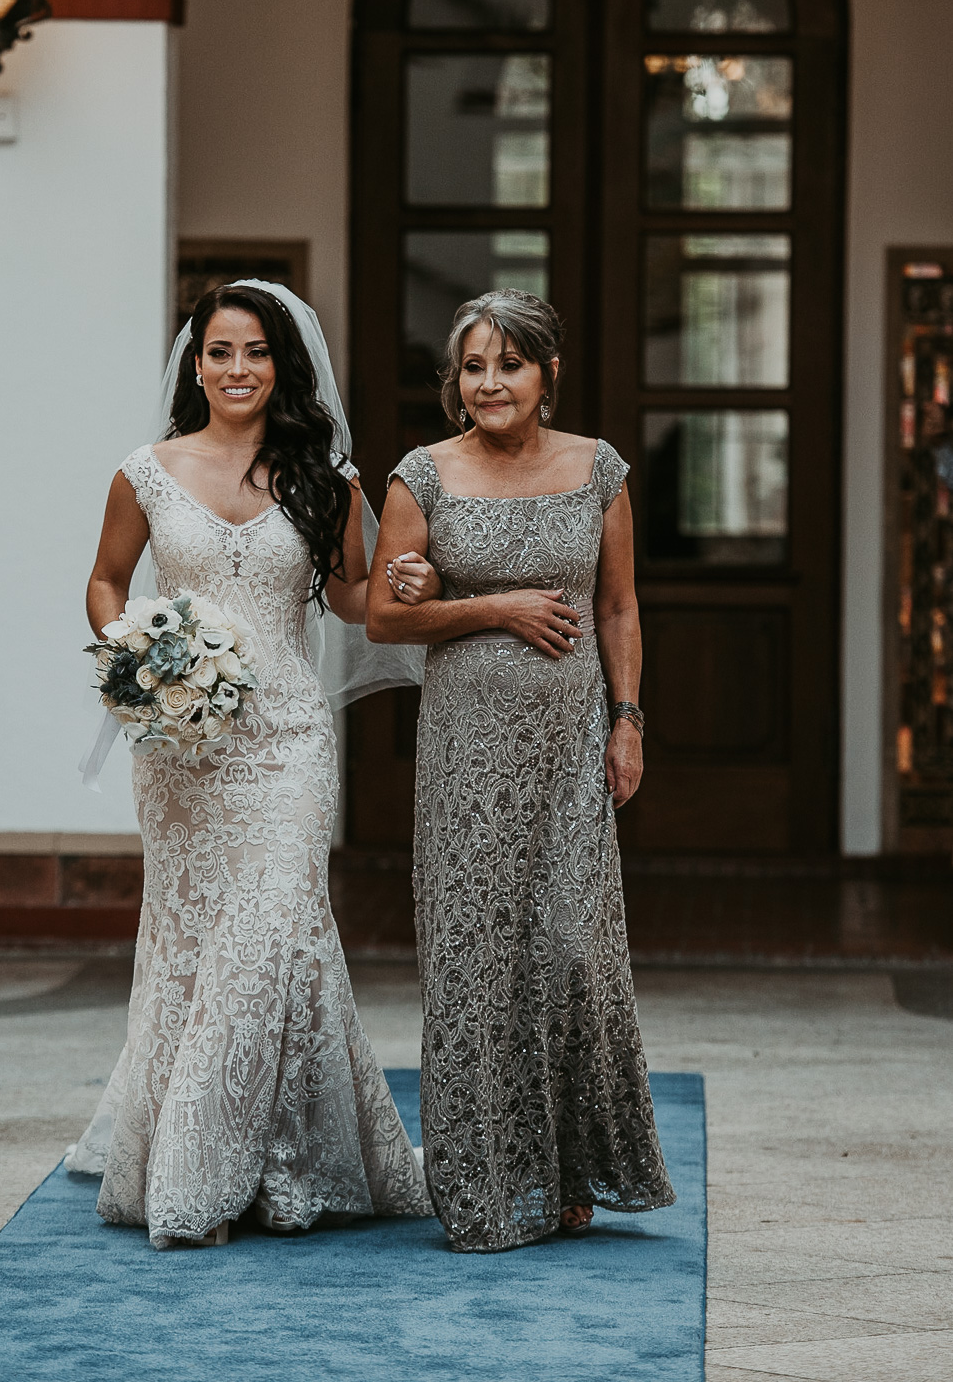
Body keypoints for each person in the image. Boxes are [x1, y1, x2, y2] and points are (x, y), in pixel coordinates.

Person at [68, 281, 433, 1248]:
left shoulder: (327, 477)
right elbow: (106, 581)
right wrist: (135, 657)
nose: (239, 370)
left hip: (287, 746)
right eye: (222, 352)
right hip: (183, 751)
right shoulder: (144, 473)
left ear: (285, 368)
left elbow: (355, 605)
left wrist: (403, 579)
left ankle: (200, 1176)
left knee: (272, 927)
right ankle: (288, 1160)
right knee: (197, 946)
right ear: (196, 364)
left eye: (258, 353)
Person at [366, 288, 675, 1254]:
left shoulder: (598, 470)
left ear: (548, 373)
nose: (490, 383)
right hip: (465, 751)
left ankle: (571, 1169)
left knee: (573, 953)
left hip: (571, 746)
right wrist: (490, 607)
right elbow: (384, 616)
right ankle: (486, 1188)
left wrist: (626, 720)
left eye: (509, 364)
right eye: (473, 366)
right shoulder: (422, 477)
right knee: (476, 957)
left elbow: (619, 608)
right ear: (455, 382)